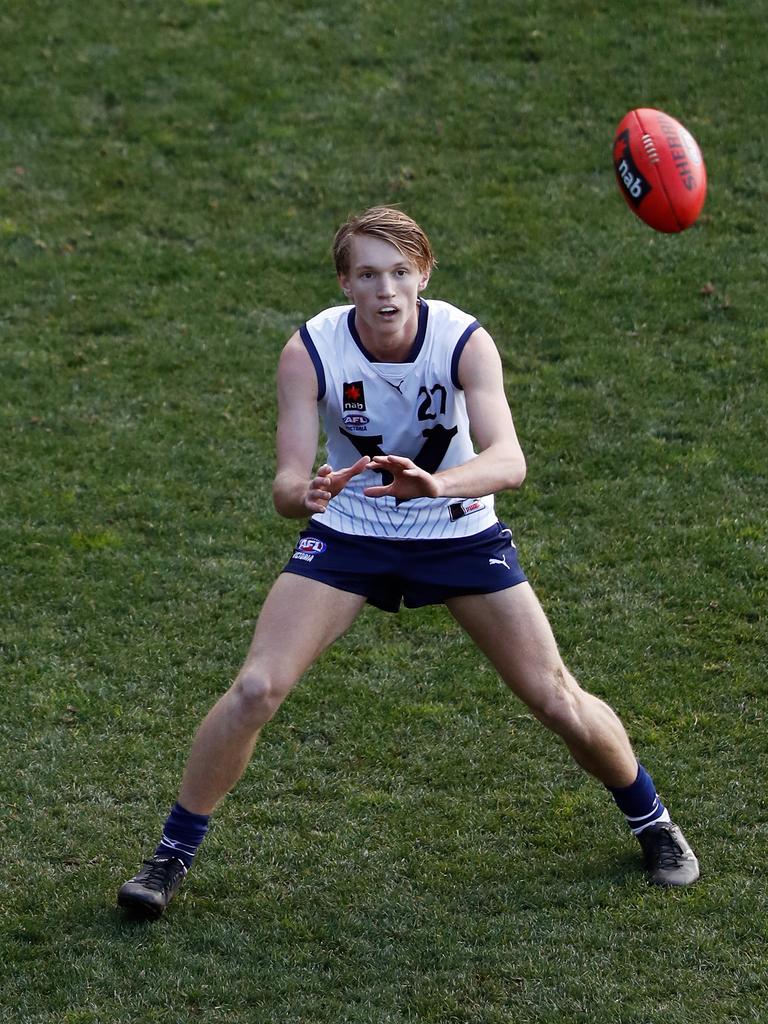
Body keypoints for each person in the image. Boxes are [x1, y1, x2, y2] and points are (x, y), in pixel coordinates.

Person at [117, 206, 699, 918]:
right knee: (255, 690)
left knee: (554, 695)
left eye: (399, 272)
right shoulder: (310, 351)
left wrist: (437, 484)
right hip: (353, 531)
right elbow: (284, 485)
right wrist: (307, 493)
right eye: (367, 274)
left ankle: (654, 822)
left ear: (424, 273)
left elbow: (508, 461)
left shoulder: (463, 342)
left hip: (456, 529)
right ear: (344, 281)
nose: (385, 290)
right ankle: (169, 857)